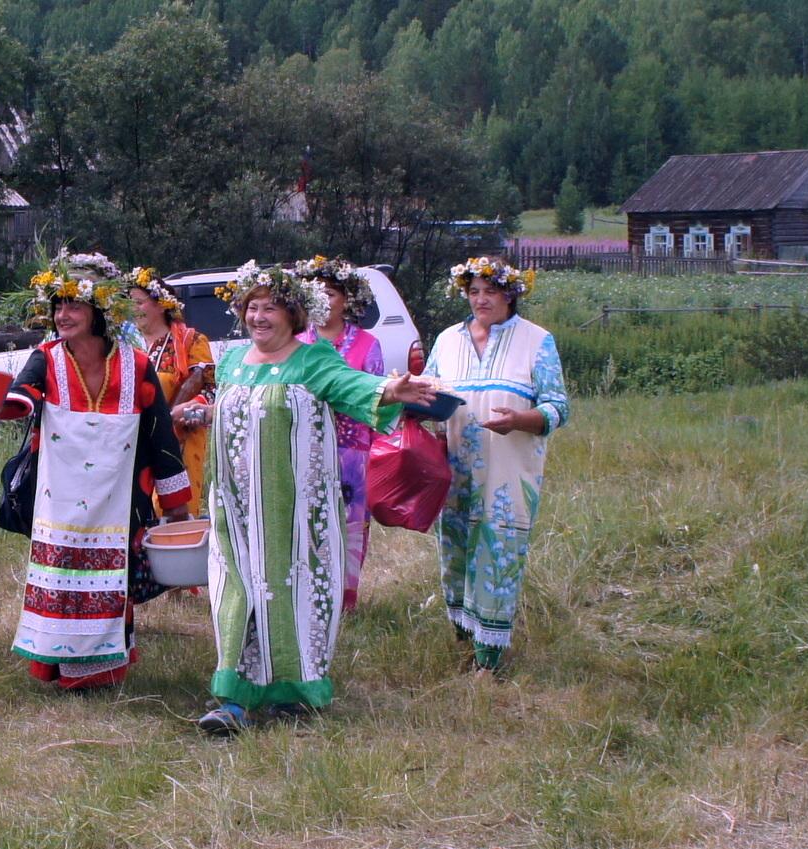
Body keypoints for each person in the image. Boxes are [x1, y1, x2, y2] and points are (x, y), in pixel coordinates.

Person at [188, 261, 436, 734]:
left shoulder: (314, 359)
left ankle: (293, 691)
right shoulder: (234, 361)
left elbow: (352, 385)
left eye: (270, 308)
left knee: (292, 592)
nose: (258, 317)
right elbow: (233, 412)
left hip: (296, 512)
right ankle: (233, 699)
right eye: (251, 307)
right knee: (235, 592)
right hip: (236, 511)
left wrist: (389, 389)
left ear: (294, 315)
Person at [0, 249, 192, 691]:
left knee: (117, 577)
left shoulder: (137, 364)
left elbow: (160, 437)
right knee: (62, 575)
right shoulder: (46, 357)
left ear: (99, 311)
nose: (63, 314)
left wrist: (176, 506)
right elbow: (22, 399)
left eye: (73, 304)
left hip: (121, 496)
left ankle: (106, 671)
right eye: (57, 305)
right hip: (59, 497)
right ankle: (57, 668)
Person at [423, 257, 569, 677]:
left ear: (510, 294)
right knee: (454, 551)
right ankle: (462, 642)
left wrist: (519, 421)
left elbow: (558, 407)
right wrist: (416, 410)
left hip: (507, 474)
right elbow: (429, 393)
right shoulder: (448, 339)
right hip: (452, 471)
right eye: (473, 292)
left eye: (490, 291)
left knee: (497, 552)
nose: (481, 300)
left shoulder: (537, 340)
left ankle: (489, 659)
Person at [293, 256, 383, 611]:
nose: (324, 300)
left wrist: (379, 456)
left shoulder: (367, 344)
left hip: (353, 451)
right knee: (307, 518)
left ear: (347, 299)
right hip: (304, 445)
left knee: (350, 524)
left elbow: (377, 400)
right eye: (316, 293)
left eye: (331, 292)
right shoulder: (296, 341)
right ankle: (309, 595)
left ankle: (345, 599)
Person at [127, 268, 215, 517]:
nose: (133, 309)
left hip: (179, 440)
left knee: (174, 513)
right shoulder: (122, 344)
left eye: (138, 302)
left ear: (161, 304)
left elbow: (209, 388)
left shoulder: (191, 341)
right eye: (128, 303)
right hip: (131, 441)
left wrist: (185, 409)